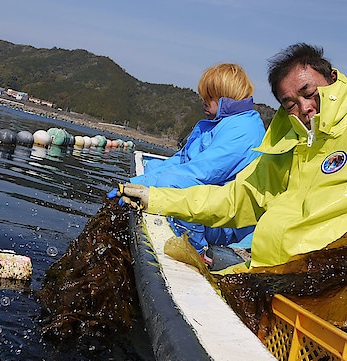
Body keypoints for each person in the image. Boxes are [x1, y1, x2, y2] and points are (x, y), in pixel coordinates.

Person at [116, 43, 347, 269]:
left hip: (315, 276)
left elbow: (200, 173)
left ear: (332, 79)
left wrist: (151, 187)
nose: (305, 108)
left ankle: (199, 253)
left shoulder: (242, 131)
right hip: (269, 270)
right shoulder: (290, 144)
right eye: (290, 105)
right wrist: (153, 196)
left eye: (309, 93)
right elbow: (238, 197)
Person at [109, 63, 265, 264]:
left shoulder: (244, 132)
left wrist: (142, 185)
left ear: (225, 96)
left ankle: (197, 251)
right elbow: (181, 161)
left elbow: (197, 176)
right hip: (208, 207)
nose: (203, 101)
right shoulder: (219, 123)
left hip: (223, 221)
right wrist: (135, 181)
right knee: (155, 168)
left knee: (177, 187)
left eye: (209, 96)